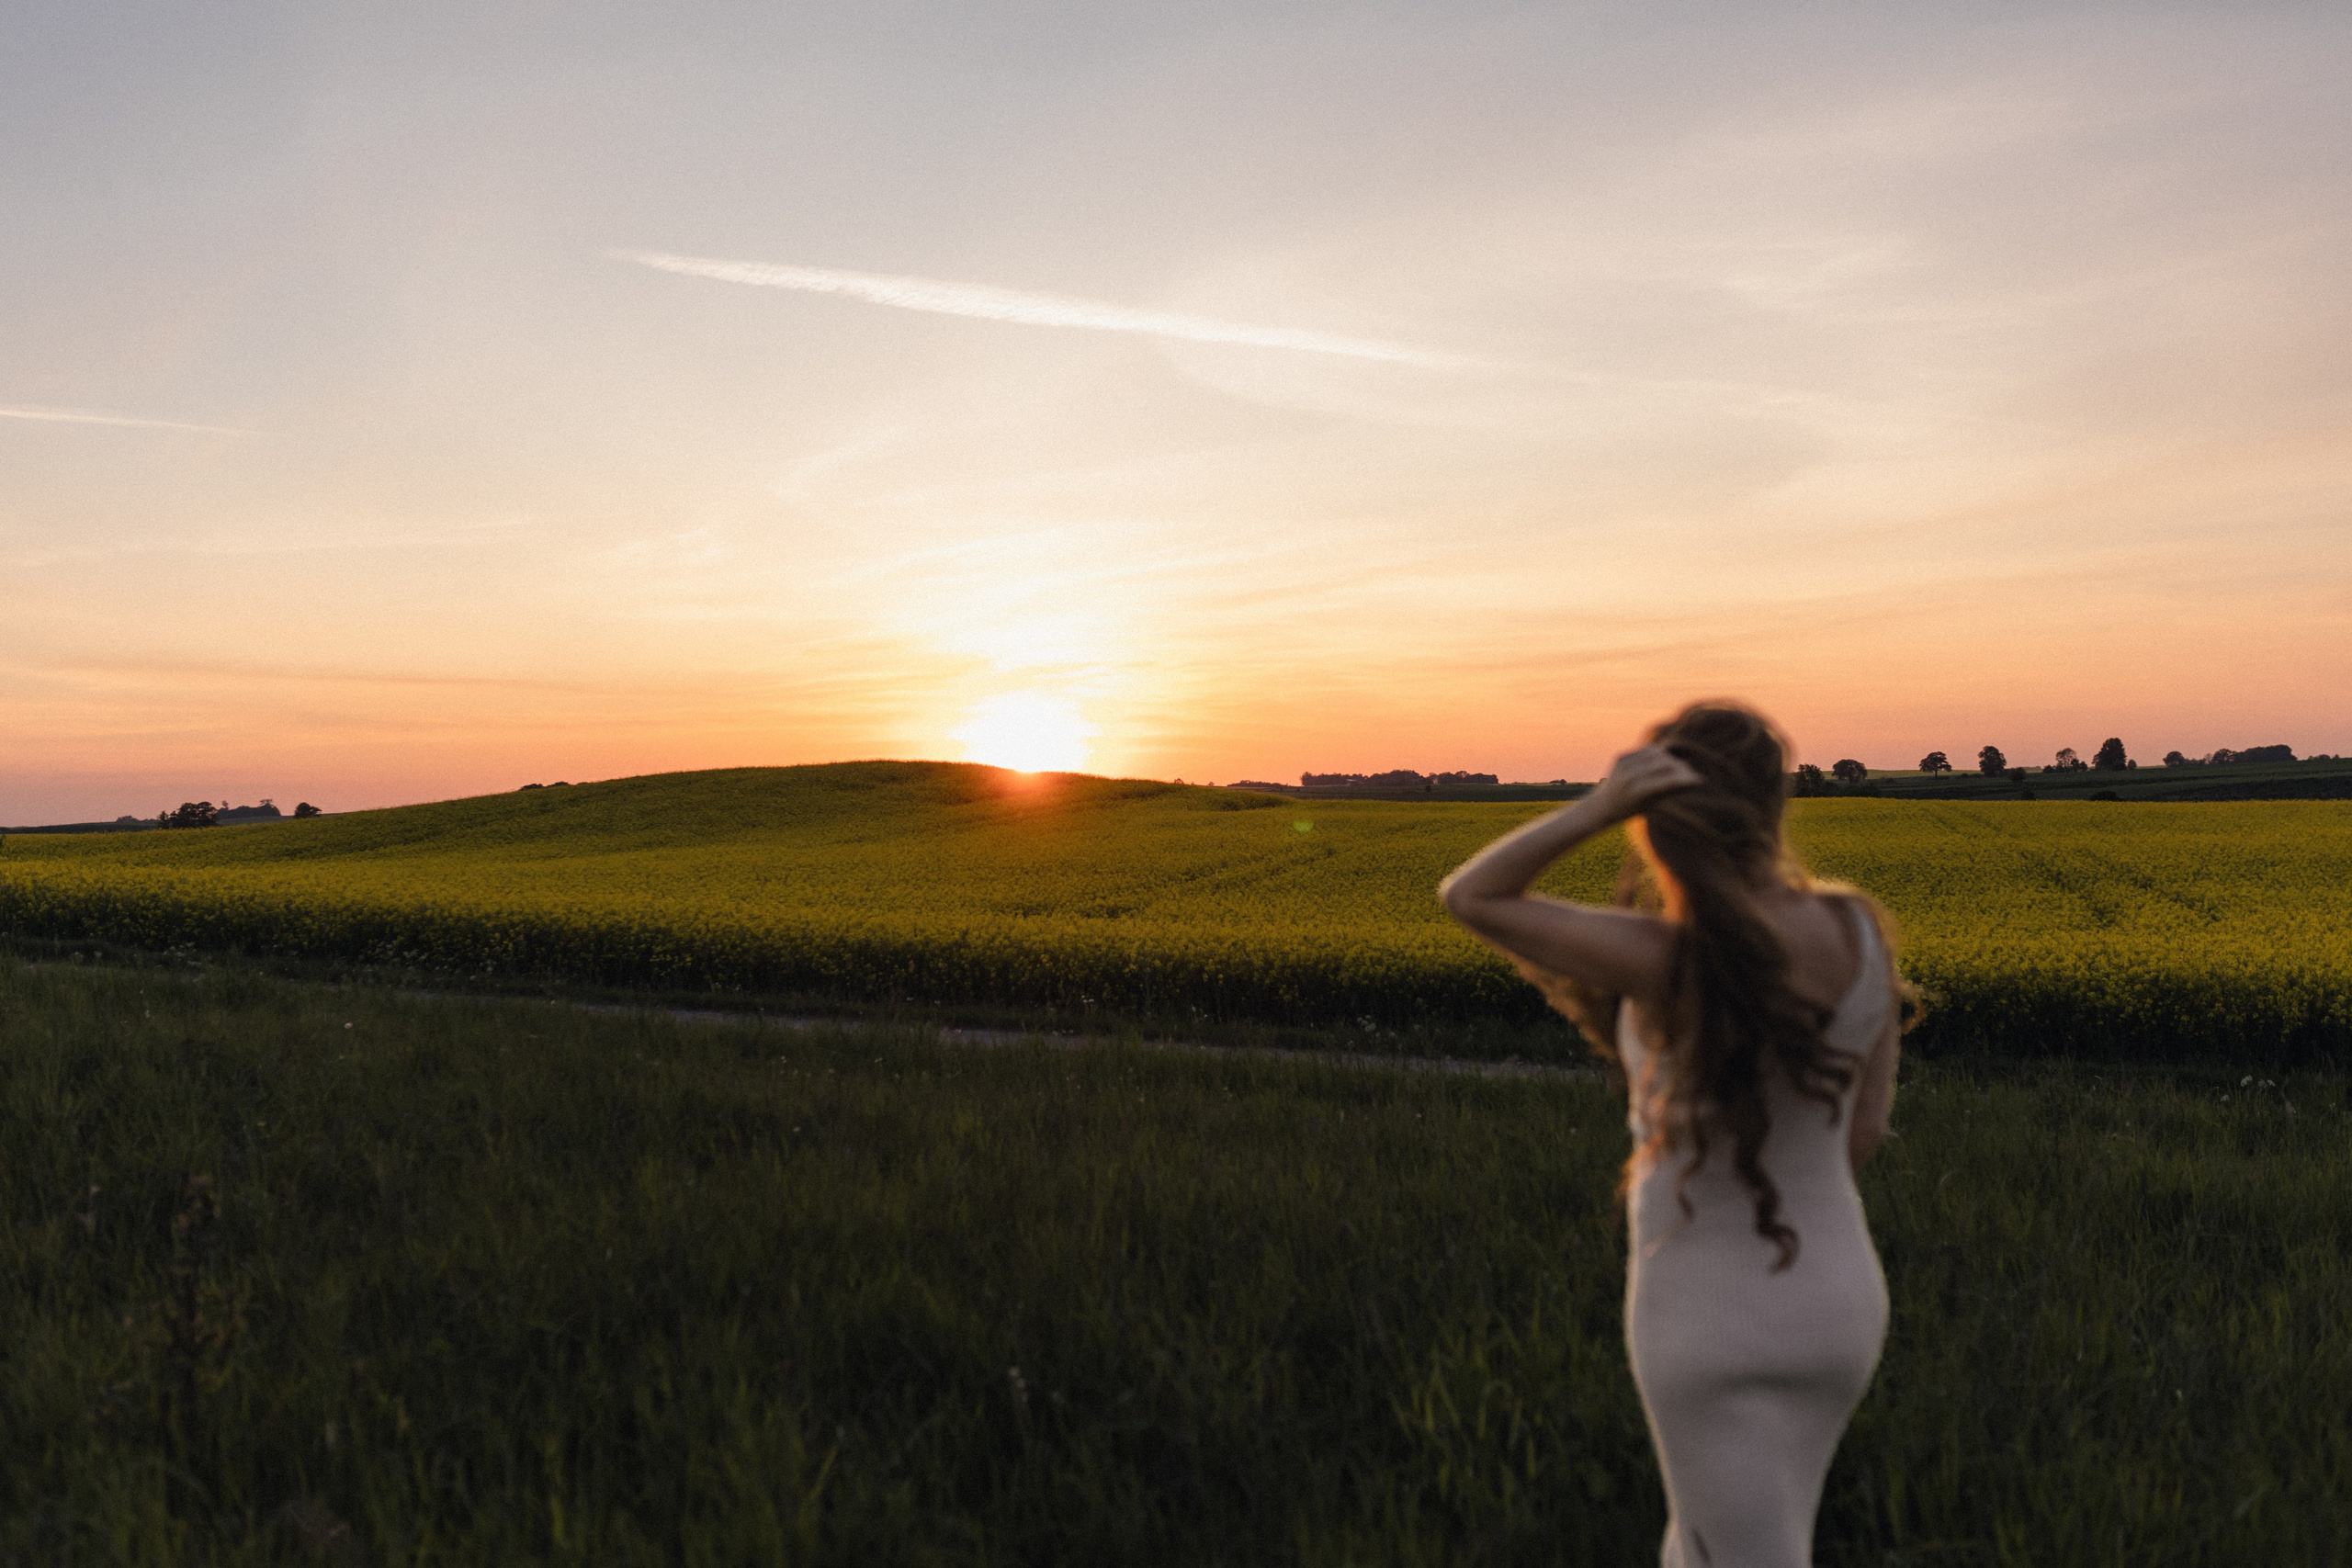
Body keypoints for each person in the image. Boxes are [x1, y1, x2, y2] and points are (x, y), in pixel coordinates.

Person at [1439, 701, 1912, 1568]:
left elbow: (1470, 895)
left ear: (1656, 814)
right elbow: (1863, 1131)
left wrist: (1596, 808)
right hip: (1836, 1298)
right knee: (1712, 1544)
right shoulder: (1857, 930)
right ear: (1773, 805)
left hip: (1707, 1310)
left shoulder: (1668, 955)